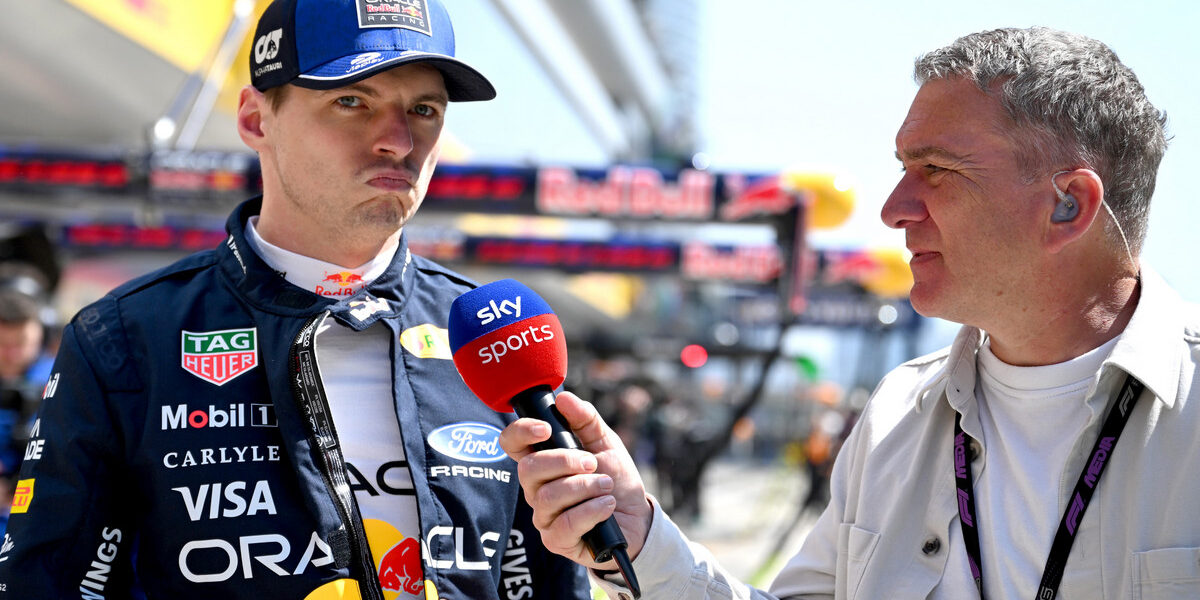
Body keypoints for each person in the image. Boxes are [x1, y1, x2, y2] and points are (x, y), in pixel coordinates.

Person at [500, 27, 1200, 599]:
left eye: (938, 170)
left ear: (1069, 204)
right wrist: (643, 538)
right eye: (901, 167)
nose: (894, 208)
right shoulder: (900, 410)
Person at [0, 1, 590, 598]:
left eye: (424, 109)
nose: (398, 139)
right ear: (257, 120)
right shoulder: (125, 338)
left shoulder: (496, 333)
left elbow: (551, 582)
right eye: (352, 101)